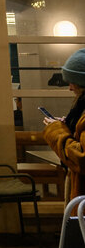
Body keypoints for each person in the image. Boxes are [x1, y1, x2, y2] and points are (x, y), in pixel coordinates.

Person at [42, 50, 85, 200]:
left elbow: (81, 157)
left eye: (72, 82)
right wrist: (68, 126)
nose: (70, 88)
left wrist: (56, 131)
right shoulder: (81, 106)